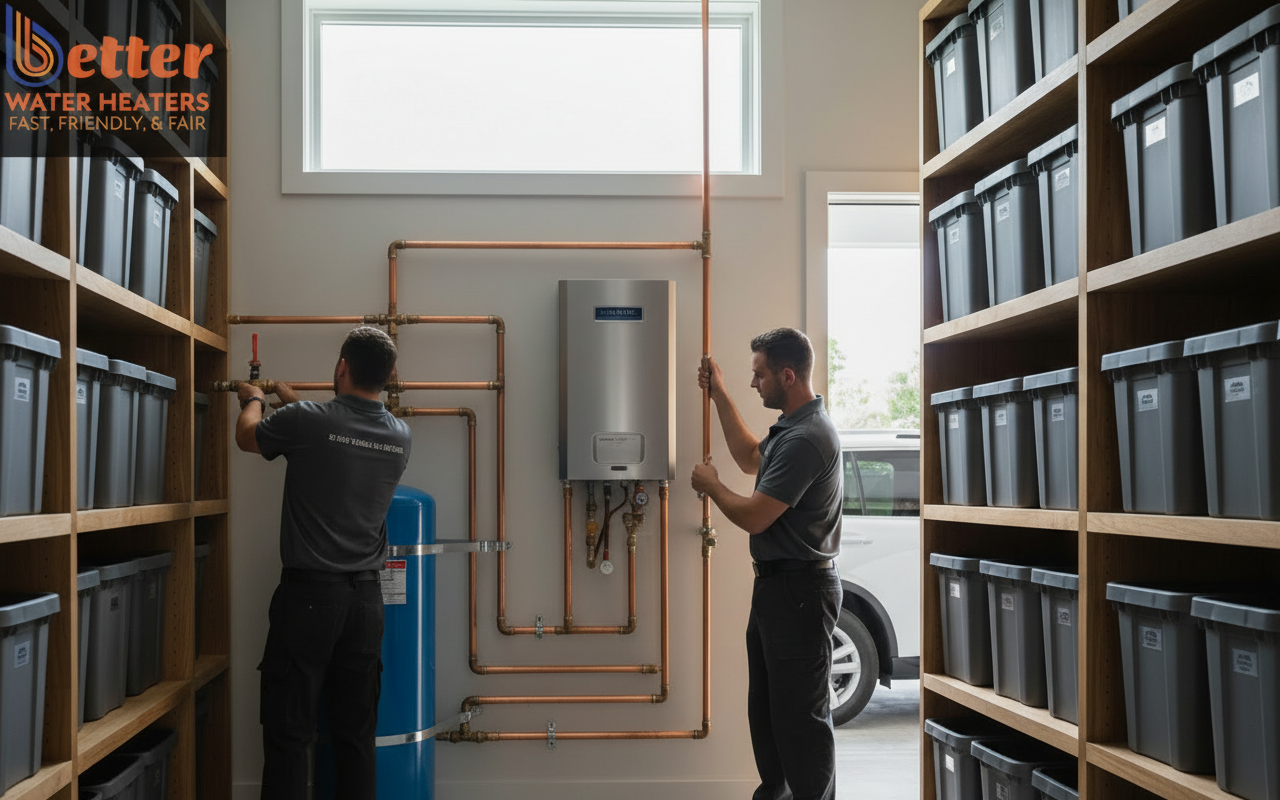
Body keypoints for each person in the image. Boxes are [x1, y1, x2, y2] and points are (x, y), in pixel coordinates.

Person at [236, 326, 412, 800]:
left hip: (308, 602)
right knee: (355, 738)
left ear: (341, 368)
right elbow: (334, 433)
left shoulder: (309, 423)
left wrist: (251, 397)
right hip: (365, 605)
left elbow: (249, 439)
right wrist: (290, 400)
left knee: (290, 735)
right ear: (390, 376)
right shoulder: (399, 434)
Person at [690, 327, 843, 800]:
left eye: (759, 375)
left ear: (788, 375)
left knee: (800, 722)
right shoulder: (793, 429)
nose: (754, 382)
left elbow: (757, 517)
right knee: (771, 715)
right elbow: (749, 456)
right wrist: (718, 393)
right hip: (780, 593)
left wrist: (711, 487)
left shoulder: (807, 440)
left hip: (799, 593)